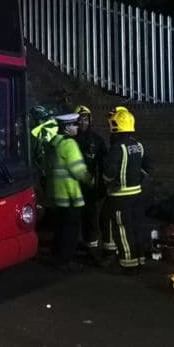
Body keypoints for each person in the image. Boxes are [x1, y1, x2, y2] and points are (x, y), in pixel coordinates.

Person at [101, 106, 151, 272]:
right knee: (137, 227)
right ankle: (140, 259)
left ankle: (128, 263)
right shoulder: (139, 145)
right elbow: (147, 169)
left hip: (120, 197)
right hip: (137, 194)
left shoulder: (117, 148)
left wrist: (106, 180)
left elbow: (109, 172)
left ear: (116, 127)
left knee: (122, 229)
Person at [49, 112, 94, 270]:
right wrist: (91, 180)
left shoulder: (55, 142)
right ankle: (65, 261)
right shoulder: (69, 144)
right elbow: (78, 170)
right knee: (70, 232)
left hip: (57, 195)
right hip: (70, 196)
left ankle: (56, 257)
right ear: (67, 128)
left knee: (60, 229)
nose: (77, 127)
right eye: (74, 124)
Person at [73, 105, 107, 261]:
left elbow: (104, 164)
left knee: (91, 218)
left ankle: (91, 248)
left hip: (90, 188)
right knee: (73, 219)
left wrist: (101, 185)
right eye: (80, 119)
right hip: (73, 188)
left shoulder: (97, 140)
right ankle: (73, 247)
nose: (83, 122)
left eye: (86, 119)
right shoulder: (70, 140)